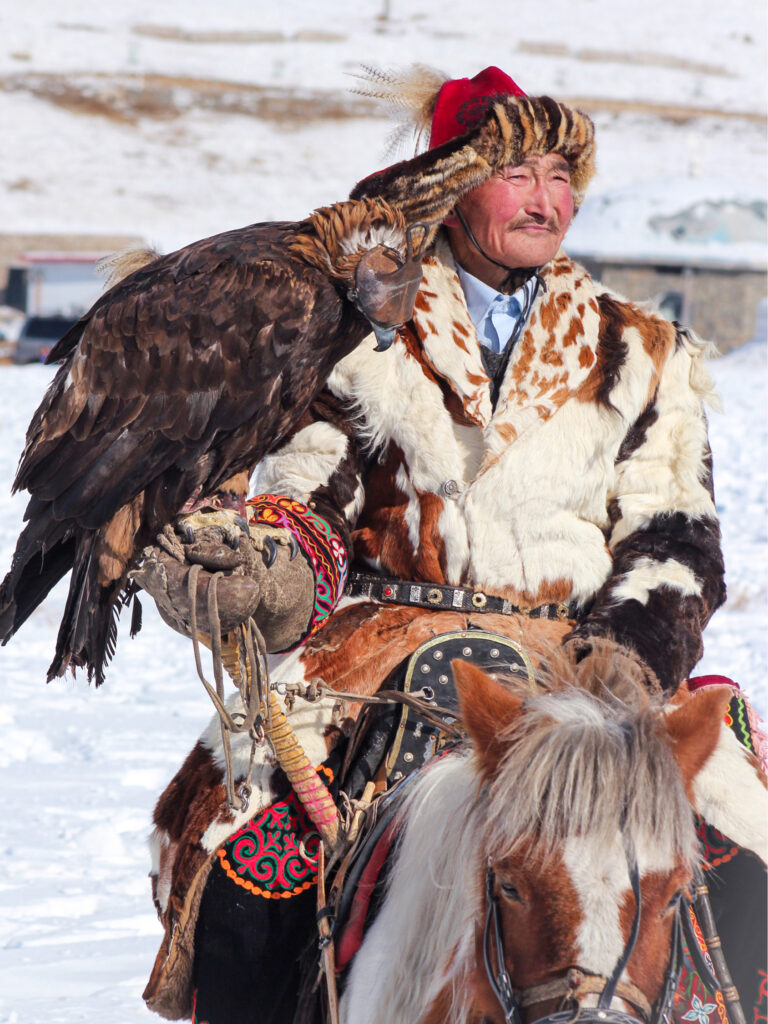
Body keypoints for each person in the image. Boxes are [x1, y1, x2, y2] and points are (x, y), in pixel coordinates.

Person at [137, 67, 762, 1024]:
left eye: (562, 175)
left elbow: (675, 533)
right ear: (452, 186)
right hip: (387, 649)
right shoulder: (360, 335)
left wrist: (627, 662)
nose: (547, 199)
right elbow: (313, 493)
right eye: (518, 174)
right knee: (245, 868)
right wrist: (266, 574)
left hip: (591, 662)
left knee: (743, 847)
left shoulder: (641, 348)